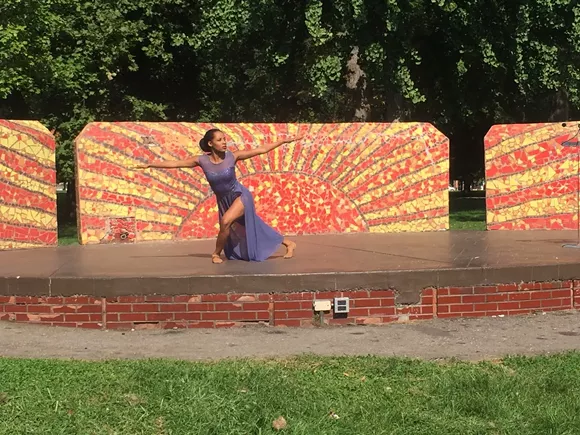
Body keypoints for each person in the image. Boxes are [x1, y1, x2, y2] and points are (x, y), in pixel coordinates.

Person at [134, 129, 302, 263]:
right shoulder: (201, 161)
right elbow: (175, 164)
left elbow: (261, 150)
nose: (224, 142)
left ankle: (215, 253)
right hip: (223, 200)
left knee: (226, 221)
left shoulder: (233, 156)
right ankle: (288, 243)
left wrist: (283, 141)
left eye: (224, 139)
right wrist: (151, 164)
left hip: (240, 195)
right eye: (220, 140)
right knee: (252, 224)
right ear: (210, 143)